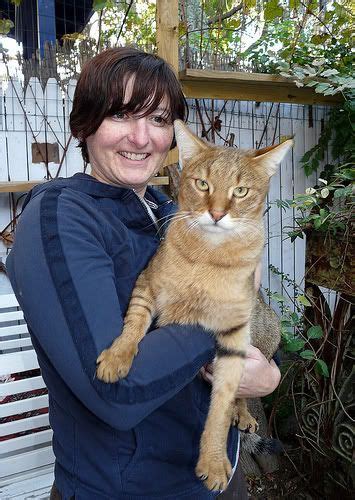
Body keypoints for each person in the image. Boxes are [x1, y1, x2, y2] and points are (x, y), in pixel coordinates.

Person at [7, 47, 280, 500]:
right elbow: (115, 395)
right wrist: (227, 311)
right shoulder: (60, 216)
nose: (141, 137)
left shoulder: (169, 211)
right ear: (85, 122)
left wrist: (264, 375)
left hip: (216, 474)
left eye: (157, 119)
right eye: (120, 114)